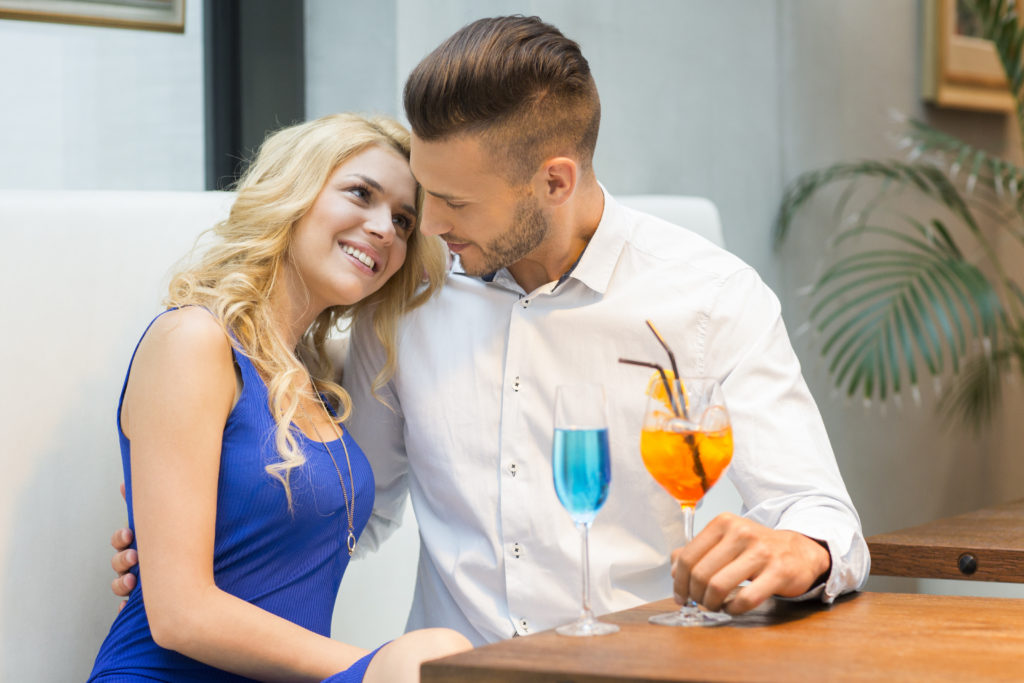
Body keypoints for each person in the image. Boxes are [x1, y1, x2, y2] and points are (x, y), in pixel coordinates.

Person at [113, 15, 870, 645]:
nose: (426, 228)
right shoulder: (405, 304)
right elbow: (354, 503)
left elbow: (823, 515)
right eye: (423, 195)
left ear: (555, 181)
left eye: (453, 203)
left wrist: (799, 548)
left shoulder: (711, 296)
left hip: (646, 664)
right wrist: (206, 541)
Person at [89, 113, 470, 682]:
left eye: (403, 220)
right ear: (295, 190)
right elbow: (178, 614)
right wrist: (377, 667)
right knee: (432, 655)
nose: (385, 228)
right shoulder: (195, 340)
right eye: (360, 194)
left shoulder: (320, 381)